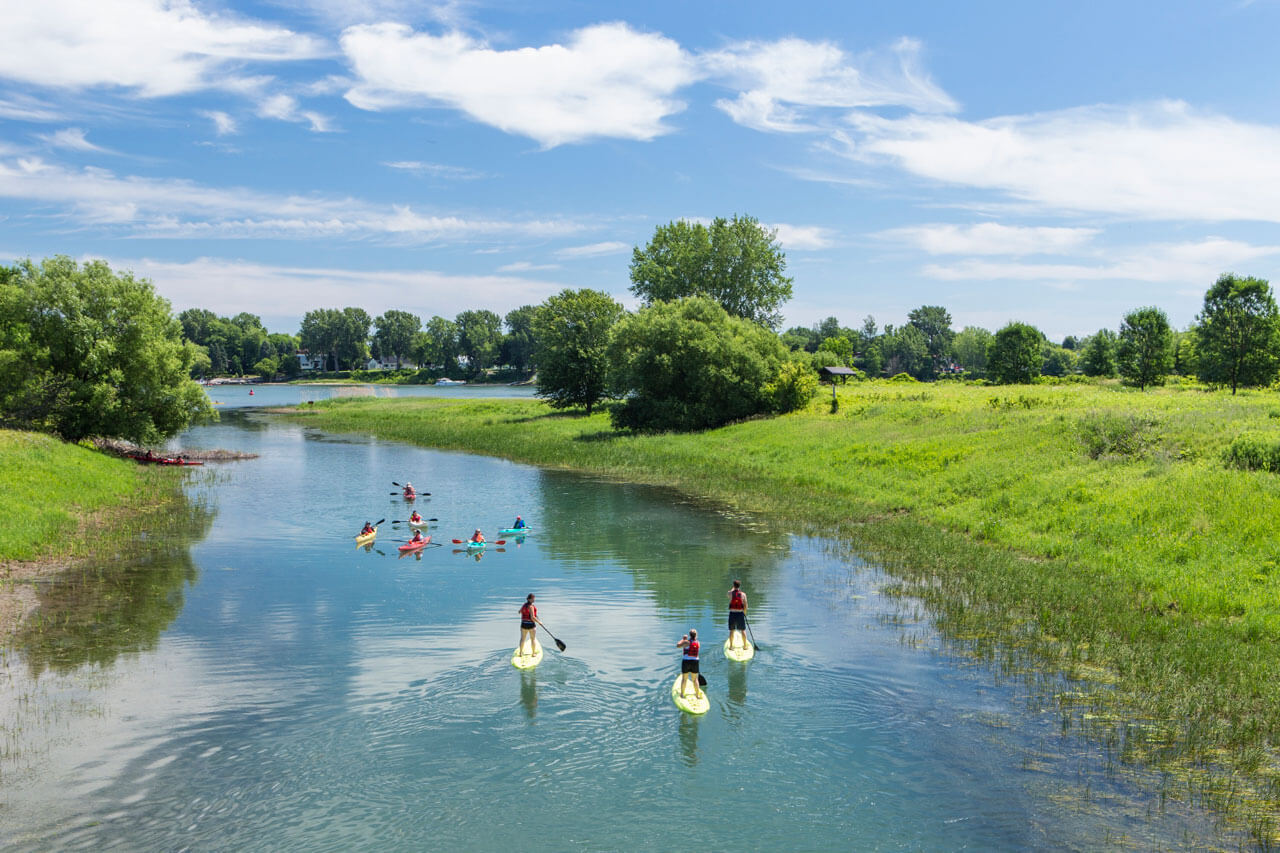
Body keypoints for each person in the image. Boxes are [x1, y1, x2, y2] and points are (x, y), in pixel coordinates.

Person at [676, 629, 703, 699]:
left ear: (690, 635)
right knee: (695, 679)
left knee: (684, 679)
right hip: (695, 662)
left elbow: (678, 645)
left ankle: (682, 694)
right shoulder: (698, 643)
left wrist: (683, 639)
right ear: (696, 635)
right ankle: (697, 695)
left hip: (686, 662)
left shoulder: (686, 642)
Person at [728, 580, 749, 650]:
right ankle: (745, 646)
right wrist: (744, 613)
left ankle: (731, 646)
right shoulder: (743, 594)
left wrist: (733, 588)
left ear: (733, 586)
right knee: (743, 630)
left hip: (732, 614)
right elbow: (746, 605)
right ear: (739, 586)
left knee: (732, 630)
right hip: (740, 614)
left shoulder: (730, 593)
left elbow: (730, 592)